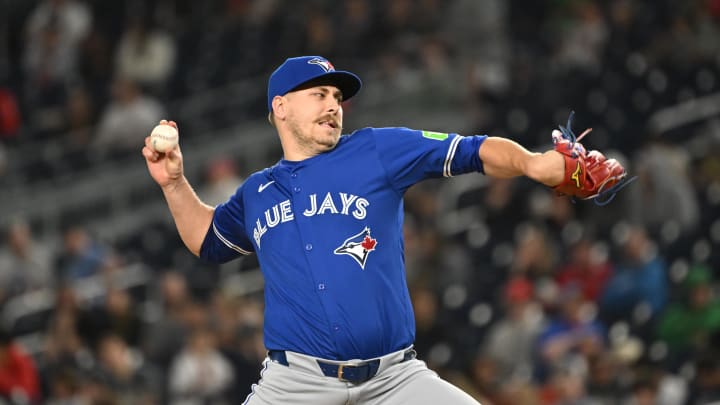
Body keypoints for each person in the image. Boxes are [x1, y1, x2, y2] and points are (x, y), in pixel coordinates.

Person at [142, 55, 624, 404]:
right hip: (295, 387)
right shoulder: (257, 192)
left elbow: (475, 149)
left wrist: (533, 162)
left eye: (337, 97)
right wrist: (174, 182)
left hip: (395, 380)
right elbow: (206, 240)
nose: (333, 105)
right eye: (319, 94)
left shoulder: (376, 150)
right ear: (281, 107)